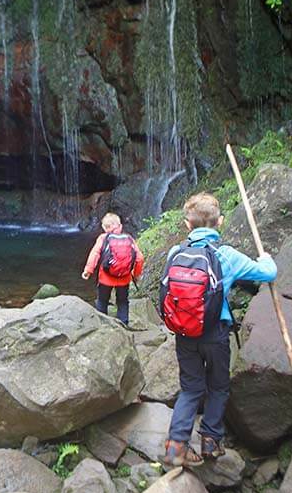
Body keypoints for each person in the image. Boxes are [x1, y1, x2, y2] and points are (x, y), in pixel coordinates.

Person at [161, 192, 277, 467]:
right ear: (220, 222)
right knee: (218, 387)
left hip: (185, 334)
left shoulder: (175, 253)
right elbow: (267, 273)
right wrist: (267, 257)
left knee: (190, 389)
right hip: (215, 334)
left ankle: (176, 445)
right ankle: (211, 441)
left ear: (187, 225)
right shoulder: (226, 255)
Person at [82, 212, 144, 325]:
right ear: (120, 226)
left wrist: (88, 270)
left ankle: (103, 324)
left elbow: (94, 254)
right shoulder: (129, 239)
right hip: (124, 279)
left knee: (102, 301)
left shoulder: (103, 238)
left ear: (106, 228)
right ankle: (124, 324)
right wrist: (136, 274)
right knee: (123, 302)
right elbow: (139, 258)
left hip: (105, 278)